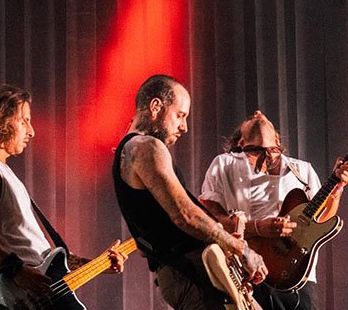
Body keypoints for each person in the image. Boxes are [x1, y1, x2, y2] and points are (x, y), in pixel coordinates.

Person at [0, 83, 127, 301]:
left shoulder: (3, 171)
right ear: (0, 120)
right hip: (22, 293)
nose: (31, 131)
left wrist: (98, 265)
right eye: (24, 120)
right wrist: (16, 270)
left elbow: (43, 257)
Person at [113, 74, 268, 310]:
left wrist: (226, 256)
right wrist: (242, 249)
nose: (184, 127)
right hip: (191, 273)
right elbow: (185, 215)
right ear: (156, 107)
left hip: (190, 271)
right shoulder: (146, 147)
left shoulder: (131, 152)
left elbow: (152, 240)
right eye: (180, 115)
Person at [199, 110, 348, 310]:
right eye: (251, 117)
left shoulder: (302, 170)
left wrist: (337, 187)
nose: (258, 113)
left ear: (277, 139)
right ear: (240, 143)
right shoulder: (224, 164)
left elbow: (322, 219)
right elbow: (210, 222)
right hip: (245, 276)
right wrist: (257, 228)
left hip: (296, 277)